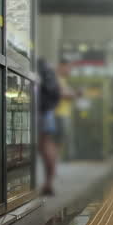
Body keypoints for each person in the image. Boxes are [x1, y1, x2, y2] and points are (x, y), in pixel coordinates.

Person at [36, 58, 69, 196]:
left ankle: (49, 182)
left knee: (47, 146)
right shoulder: (53, 74)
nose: (69, 70)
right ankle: (49, 180)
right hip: (50, 112)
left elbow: (61, 93)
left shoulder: (47, 73)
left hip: (45, 112)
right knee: (48, 146)